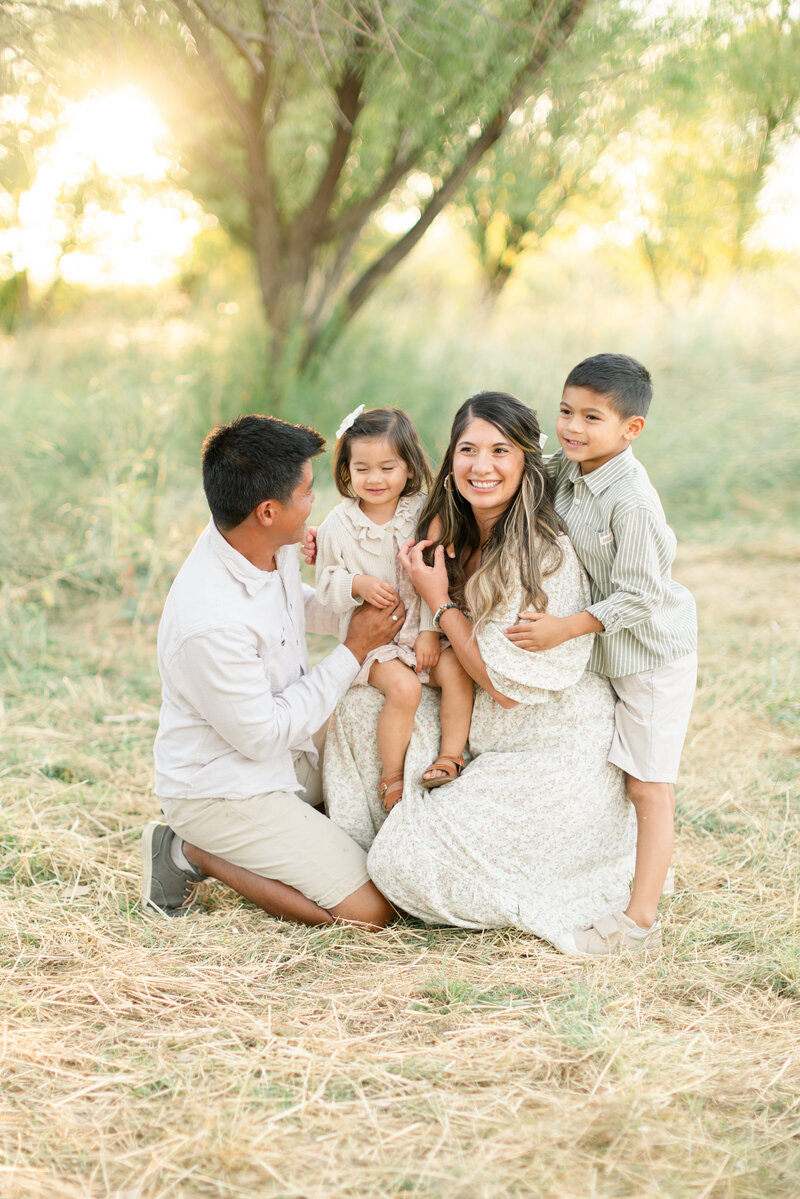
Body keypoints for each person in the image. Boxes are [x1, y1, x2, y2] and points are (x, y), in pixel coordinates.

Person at [322, 392, 637, 952]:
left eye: (500, 451)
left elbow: (503, 685)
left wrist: (439, 602)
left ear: (525, 462)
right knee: (357, 710)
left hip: (545, 740)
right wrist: (315, 544)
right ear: (450, 459)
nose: (482, 466)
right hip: (474, 722)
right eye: (468, 450)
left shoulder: (544, 551)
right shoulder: (448, 526)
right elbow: (366, 530)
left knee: (404, 863)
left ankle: (419, 854)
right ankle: (352, 854)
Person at [141, 413, 402, 929]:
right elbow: (262, 736)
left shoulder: (260, 541)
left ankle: (314, 826)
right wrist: (352, 649)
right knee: (371, 913)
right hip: (224, 787)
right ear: (267, 510)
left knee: (379, 709)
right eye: (306, 493)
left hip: (288, 750)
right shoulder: (208, 621)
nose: (317, 503)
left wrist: (367, 614)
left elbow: (294, 603)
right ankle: (192, 853)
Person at [505, 354, 697, 954]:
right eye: (566, 411)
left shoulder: (632, 501)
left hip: (649, 656)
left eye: (592, 416)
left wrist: (564, 629)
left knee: (648, 783)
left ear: (630, 429)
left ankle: (639, 922)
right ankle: (609, 875)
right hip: (604, 654)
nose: (572, 426)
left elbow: (641, 595)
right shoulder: (569, 470)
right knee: (607, 772)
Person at [313, 405, 475, 811]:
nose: (375, 479)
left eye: (388, 467)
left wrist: (429, 631)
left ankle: (450, 756)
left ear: (408, 467)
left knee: (456, 670)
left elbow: (435, 577)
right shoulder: (339, 524)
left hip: (421, 630)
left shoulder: (422, 511)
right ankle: (391, 779)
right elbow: (325, 587)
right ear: (347, 470)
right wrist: (356, 584)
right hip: (376, 643)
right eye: (362, 468)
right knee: (403, 689)